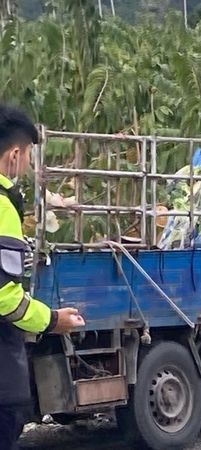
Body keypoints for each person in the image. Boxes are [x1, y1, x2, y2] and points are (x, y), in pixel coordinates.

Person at [0, 104, 83, 450]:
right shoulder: (3, 205)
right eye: (30, 156)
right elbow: (6, 297)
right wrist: (51, 320)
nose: (29, 165)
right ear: (14, 154)